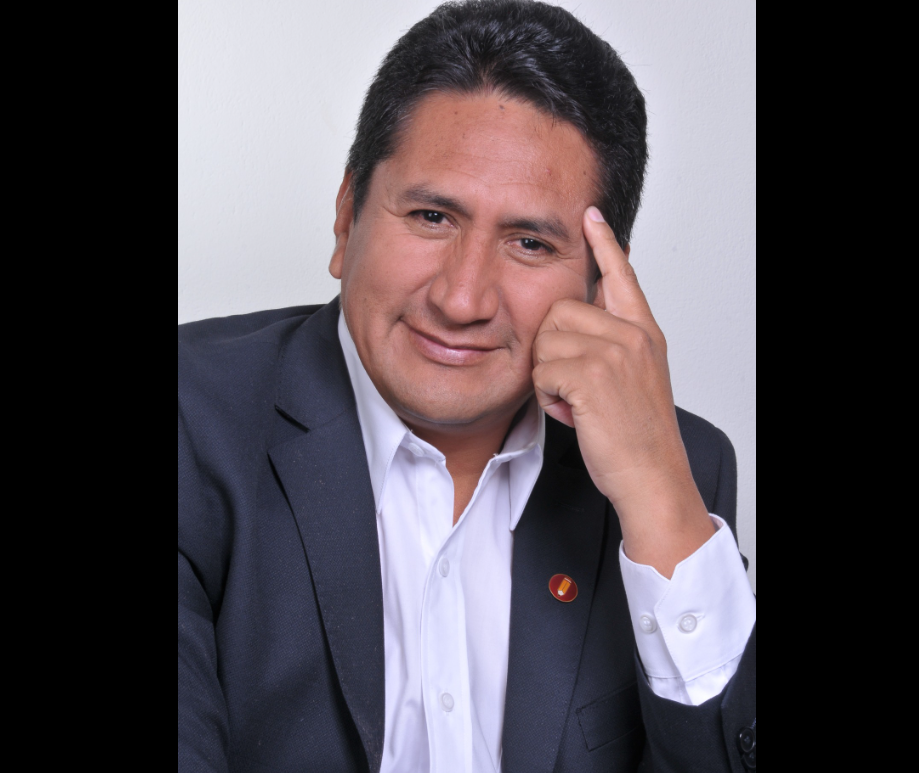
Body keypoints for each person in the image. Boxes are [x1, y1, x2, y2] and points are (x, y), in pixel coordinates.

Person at [177, 2, 757, 772]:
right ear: (346, 218)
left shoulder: (676, 470)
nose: (461, 299)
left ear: (598, 283)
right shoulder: (192, 418)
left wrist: (658, 496)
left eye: (529, 242)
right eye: (431, 215)